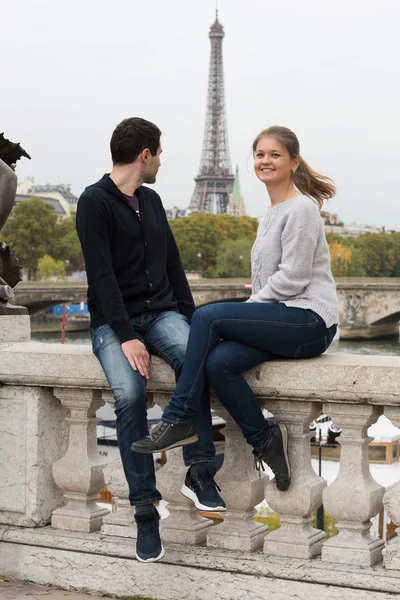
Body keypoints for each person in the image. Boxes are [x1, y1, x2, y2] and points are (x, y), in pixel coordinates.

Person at [132, 125, 338, 493]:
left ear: (293, 162)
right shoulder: (272, 211)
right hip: (284, 317)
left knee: (206, 316)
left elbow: (292, 279)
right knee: (217, 364)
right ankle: (265, 440)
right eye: (260, 154)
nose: (266, 161)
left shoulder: (302, 208)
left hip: (310, 320)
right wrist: (248, 312)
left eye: (275, 154)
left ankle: (177, 417)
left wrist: (245, 310)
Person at [76, 117, 225, 564]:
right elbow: (101, 278)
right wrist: (125, 336)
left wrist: (195, 322)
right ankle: (145, 509)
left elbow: (174, 267)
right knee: (129, 395)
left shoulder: (154, 200)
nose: (161, 161)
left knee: (194, 358)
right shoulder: (93, 202)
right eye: (158, 153)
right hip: (114, 322)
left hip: (161, 313)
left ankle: (199, 471)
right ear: (145, 154)